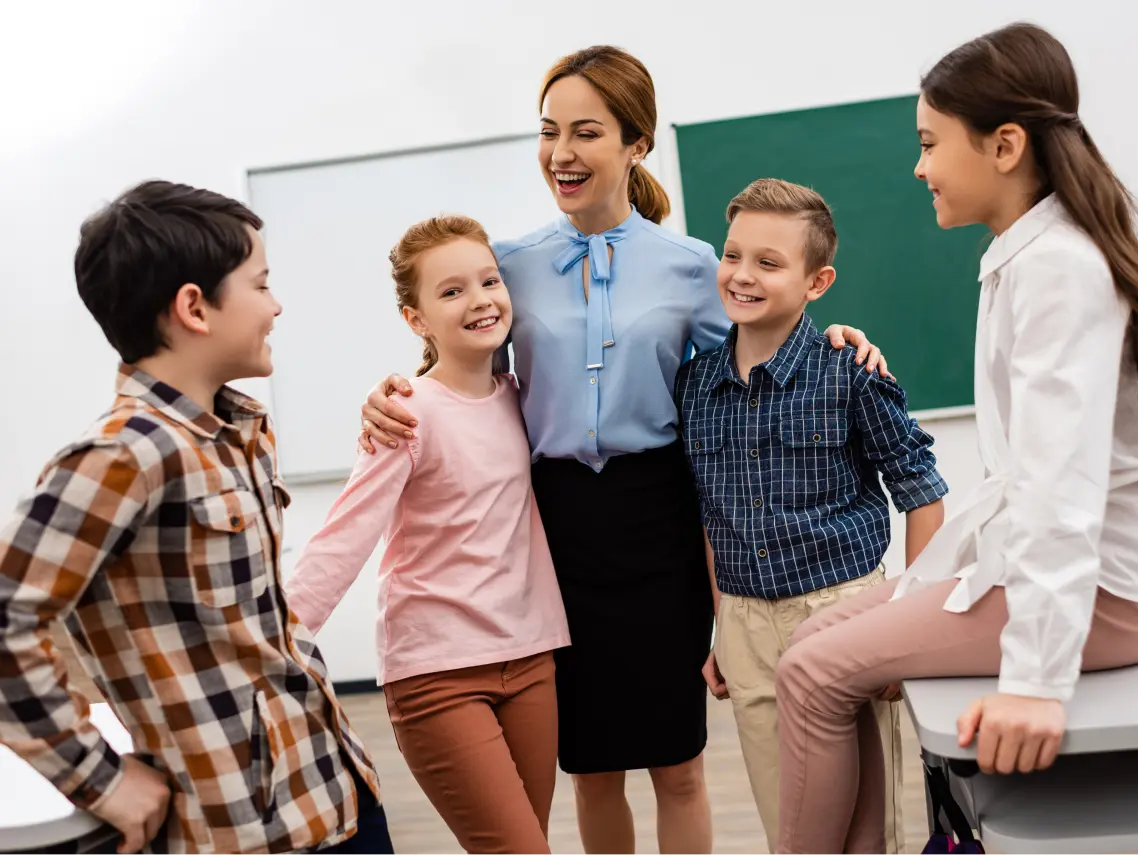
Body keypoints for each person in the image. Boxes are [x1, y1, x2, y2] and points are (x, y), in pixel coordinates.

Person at [354, 46, 889, 855]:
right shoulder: (511, 264)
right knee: (592, 767)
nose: (561, 153)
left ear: (634, 144)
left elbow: (753, 362)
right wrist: (389, 392)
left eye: (586, 132)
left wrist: (839, 340)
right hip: (556, 530)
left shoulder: (692, 266)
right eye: (548, 132)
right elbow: (462, 366)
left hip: (662, 522)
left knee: (678, 765)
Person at [772, 22, 1138, 855]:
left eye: (928, 143)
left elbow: (1059, 492)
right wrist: (921, 583)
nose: (918, 167)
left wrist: (1035, 683)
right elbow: (1019, 486)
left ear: (1005, 145)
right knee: (814, 644)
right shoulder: (1023, 256)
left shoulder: (1059, 267)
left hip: (1109, 598)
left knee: (811, 671)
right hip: (1049, 567)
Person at [0, 180, 393, 855]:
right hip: (241, 832)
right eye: (261, 284)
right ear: (194, 307)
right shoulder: (125, 453)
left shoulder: (236, 431)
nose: (276, 306)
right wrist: (98, 778)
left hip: (333, 792)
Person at [284, 215, 570, 855]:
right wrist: (270, 641)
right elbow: (343, 539)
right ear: (416, 319)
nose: (480, 300)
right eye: (451, 291)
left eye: (489, 280)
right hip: (438, 672)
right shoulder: (405, 412)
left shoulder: (527, 397)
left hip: (531, 659)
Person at [678, 178, 948, 855]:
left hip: (841, 612)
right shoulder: (695, 385)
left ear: (816, 281)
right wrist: (719, 627)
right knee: (792, 830)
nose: (742, 274)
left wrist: (903, 626)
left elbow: (923, 493)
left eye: (769, 262)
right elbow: (713, 515)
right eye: (734, 254)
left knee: (865, 832)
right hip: (743, 624)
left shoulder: (850, 371)